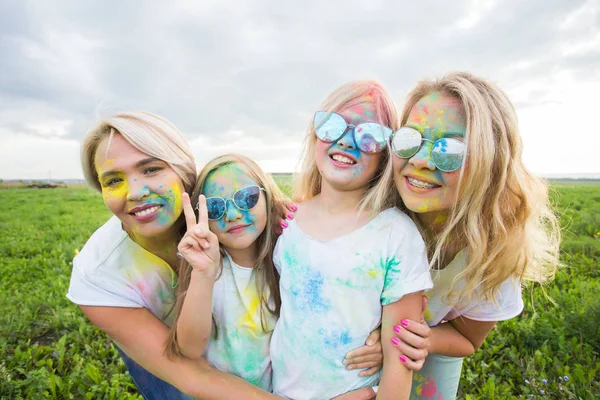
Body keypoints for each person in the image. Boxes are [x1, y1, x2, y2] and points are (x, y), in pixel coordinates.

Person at [67, 111, 380, 399]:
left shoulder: (221, 210)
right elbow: (193, 375)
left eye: (151, 168)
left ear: (185, 172)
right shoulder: (96, 275)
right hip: (171, 360)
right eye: (113, 180)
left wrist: (366, 334)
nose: (135, 191)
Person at [387, 72, 561, 399]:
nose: (420, 161)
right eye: (410, 138)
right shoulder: (374, 214)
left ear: (491, 162)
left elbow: (468, 339)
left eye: (450, 149)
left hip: (432, 357)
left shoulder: (494, 250)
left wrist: (427, 339)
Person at [271, 80, 434, 400]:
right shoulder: (289, 222)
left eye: (369, 134)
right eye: (332, 125)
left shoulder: (395, 235)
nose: (347, 141)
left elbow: (401, 358)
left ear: (387, 153)